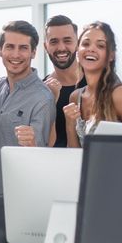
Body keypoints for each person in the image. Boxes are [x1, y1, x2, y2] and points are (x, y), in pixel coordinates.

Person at [0, 20, 56, 195]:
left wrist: (32, 145)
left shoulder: (43, 98)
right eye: (10, 47)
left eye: (23, 48)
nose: (16, 54)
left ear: (33, 52)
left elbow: (41, 160)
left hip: (16, 199)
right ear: (0, 50)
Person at [63, 21, 122, 147]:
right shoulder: (75, 97)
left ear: (111, 55)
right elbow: (74, 154)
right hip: (83, 166)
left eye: (100, 46)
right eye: (85, 44)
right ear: (78, 51)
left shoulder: (120, 94)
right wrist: (69, 124)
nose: (91, 49)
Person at [42, 15, 86, 147]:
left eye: (67, 40)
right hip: (53, 165)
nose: (61, 48)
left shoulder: (98, 82)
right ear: (46, 47)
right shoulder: (41, 91)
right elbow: (42, 144)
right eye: (54, 42)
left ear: (77, 44)